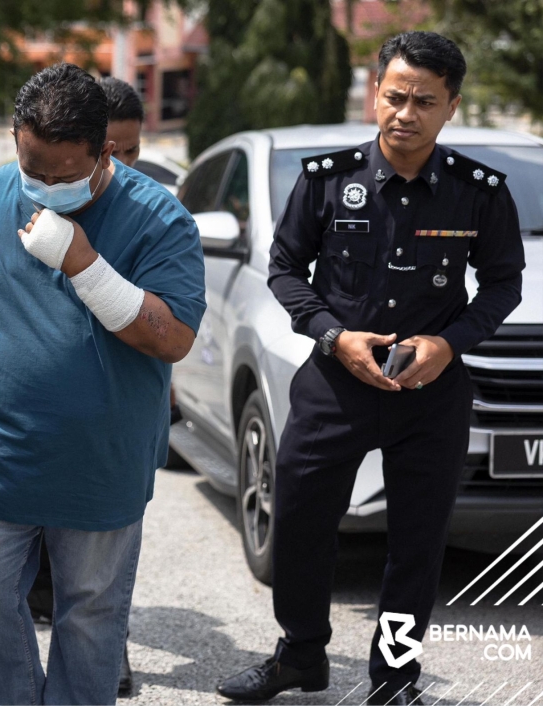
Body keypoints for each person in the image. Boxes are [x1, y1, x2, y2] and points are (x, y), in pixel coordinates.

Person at [217, 31, 524, 706]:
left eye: (424, 102)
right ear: (373, 94)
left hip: (431, 392)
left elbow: (504, 283)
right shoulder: (328, 181)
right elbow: (285, 271)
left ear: (450, 108)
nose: (406, 113)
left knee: (416, 542)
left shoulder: (479, 193)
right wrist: (333, 336)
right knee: (297, 521)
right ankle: (300, 655)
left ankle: (395, 679)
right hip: (334, 384)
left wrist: (451, 343)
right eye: (395, 97)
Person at [0, 63, 205, 705]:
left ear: (103, 154)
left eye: (63, 175)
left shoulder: (160, 219)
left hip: (103, 463)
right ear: (16, 136)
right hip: (0, 457)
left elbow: (175, 337)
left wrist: (84, 263)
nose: (43, 187)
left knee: (91, 620)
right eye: (31, 167)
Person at [25, 74, 156, 698]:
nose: (120, 163)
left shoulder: (153, 206)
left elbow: (171, 320)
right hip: (47, 417)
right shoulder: (32, 197)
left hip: (124, 404)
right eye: (114, 149)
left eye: (129, 151)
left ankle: (109, 649)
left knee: (106, 552)